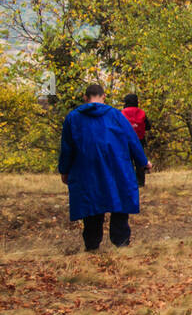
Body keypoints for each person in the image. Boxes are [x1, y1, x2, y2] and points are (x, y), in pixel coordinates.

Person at [58, 83, 151, 251]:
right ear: (104, 97)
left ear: (85, 98)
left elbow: (67, 148)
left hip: (86, 170)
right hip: (117, 167)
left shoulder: (73, 118)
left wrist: (64, 171)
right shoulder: (116, 115)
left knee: (91, 205)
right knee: (120, 203)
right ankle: (121, 243)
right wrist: (143, 162)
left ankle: (92, 246)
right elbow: (132, 140)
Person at [120, 93, 150, 187]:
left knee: (127, 161)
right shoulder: (142, 113)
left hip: (126, 141)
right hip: (139, 140)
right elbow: (148, 127)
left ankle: (129, 182)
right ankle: (141, 182)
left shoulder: (122, 113)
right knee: (139, 161)